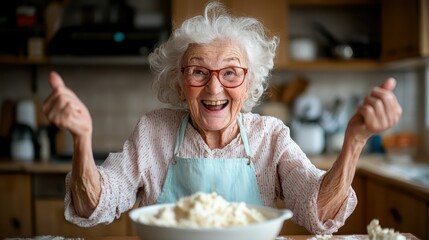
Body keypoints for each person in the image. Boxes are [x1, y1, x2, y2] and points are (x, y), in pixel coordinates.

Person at [42, 2, 402, 235]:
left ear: (248, 86)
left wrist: (354, 142)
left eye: (231, 73)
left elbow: (317, 212)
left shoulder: (269, 137)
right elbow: (96, 206)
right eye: (198, 72)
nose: (214, 88)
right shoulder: (154, 131)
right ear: (181, 85)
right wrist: (81, 140)